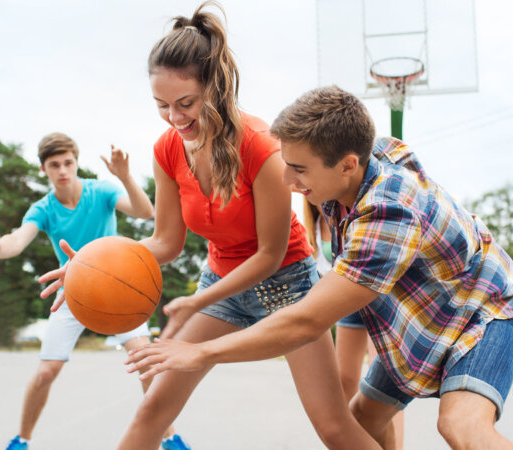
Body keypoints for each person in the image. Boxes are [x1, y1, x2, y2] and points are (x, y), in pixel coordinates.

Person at [39, 3, 380, 449]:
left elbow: (268, 255)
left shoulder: (261, 146)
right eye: (161, 106)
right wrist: (92, 265)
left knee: (332, 426)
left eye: (186, 104)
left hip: (287, 285)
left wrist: (196, 301)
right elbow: (165, 242)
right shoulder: (167, 148)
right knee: (153, 409)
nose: (175, 118)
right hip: (219, 282)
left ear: (214, 89)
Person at [127, 86, 513, 449]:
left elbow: (302, 322)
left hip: (483, 311)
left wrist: (201, 352)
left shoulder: (386, 218)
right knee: (360, 421)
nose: (287, 180)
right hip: (421, 320)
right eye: (287, 163)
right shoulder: (365, 156)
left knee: (459, 426)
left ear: (346, 165)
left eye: (299, 169)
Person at [0, 133, 188, 450]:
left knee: (144, 359)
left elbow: (144, 211)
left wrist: (124, 176)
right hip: (72, 293)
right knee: (45, 373)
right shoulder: (44, 208)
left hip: (116, 288)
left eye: (68, 162)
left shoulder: (101, 191)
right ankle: (21, 440)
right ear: (44, 169)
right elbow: (17, 239)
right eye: (55, 165)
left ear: (76, 162)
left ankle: (170, 438)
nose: (63, 170)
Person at [303, 198, 406, 449]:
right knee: (345, 379)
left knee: (382, 381)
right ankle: (361, 441)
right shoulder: (314, 225)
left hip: (377, 297)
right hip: (346, 304)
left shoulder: (349, 208)